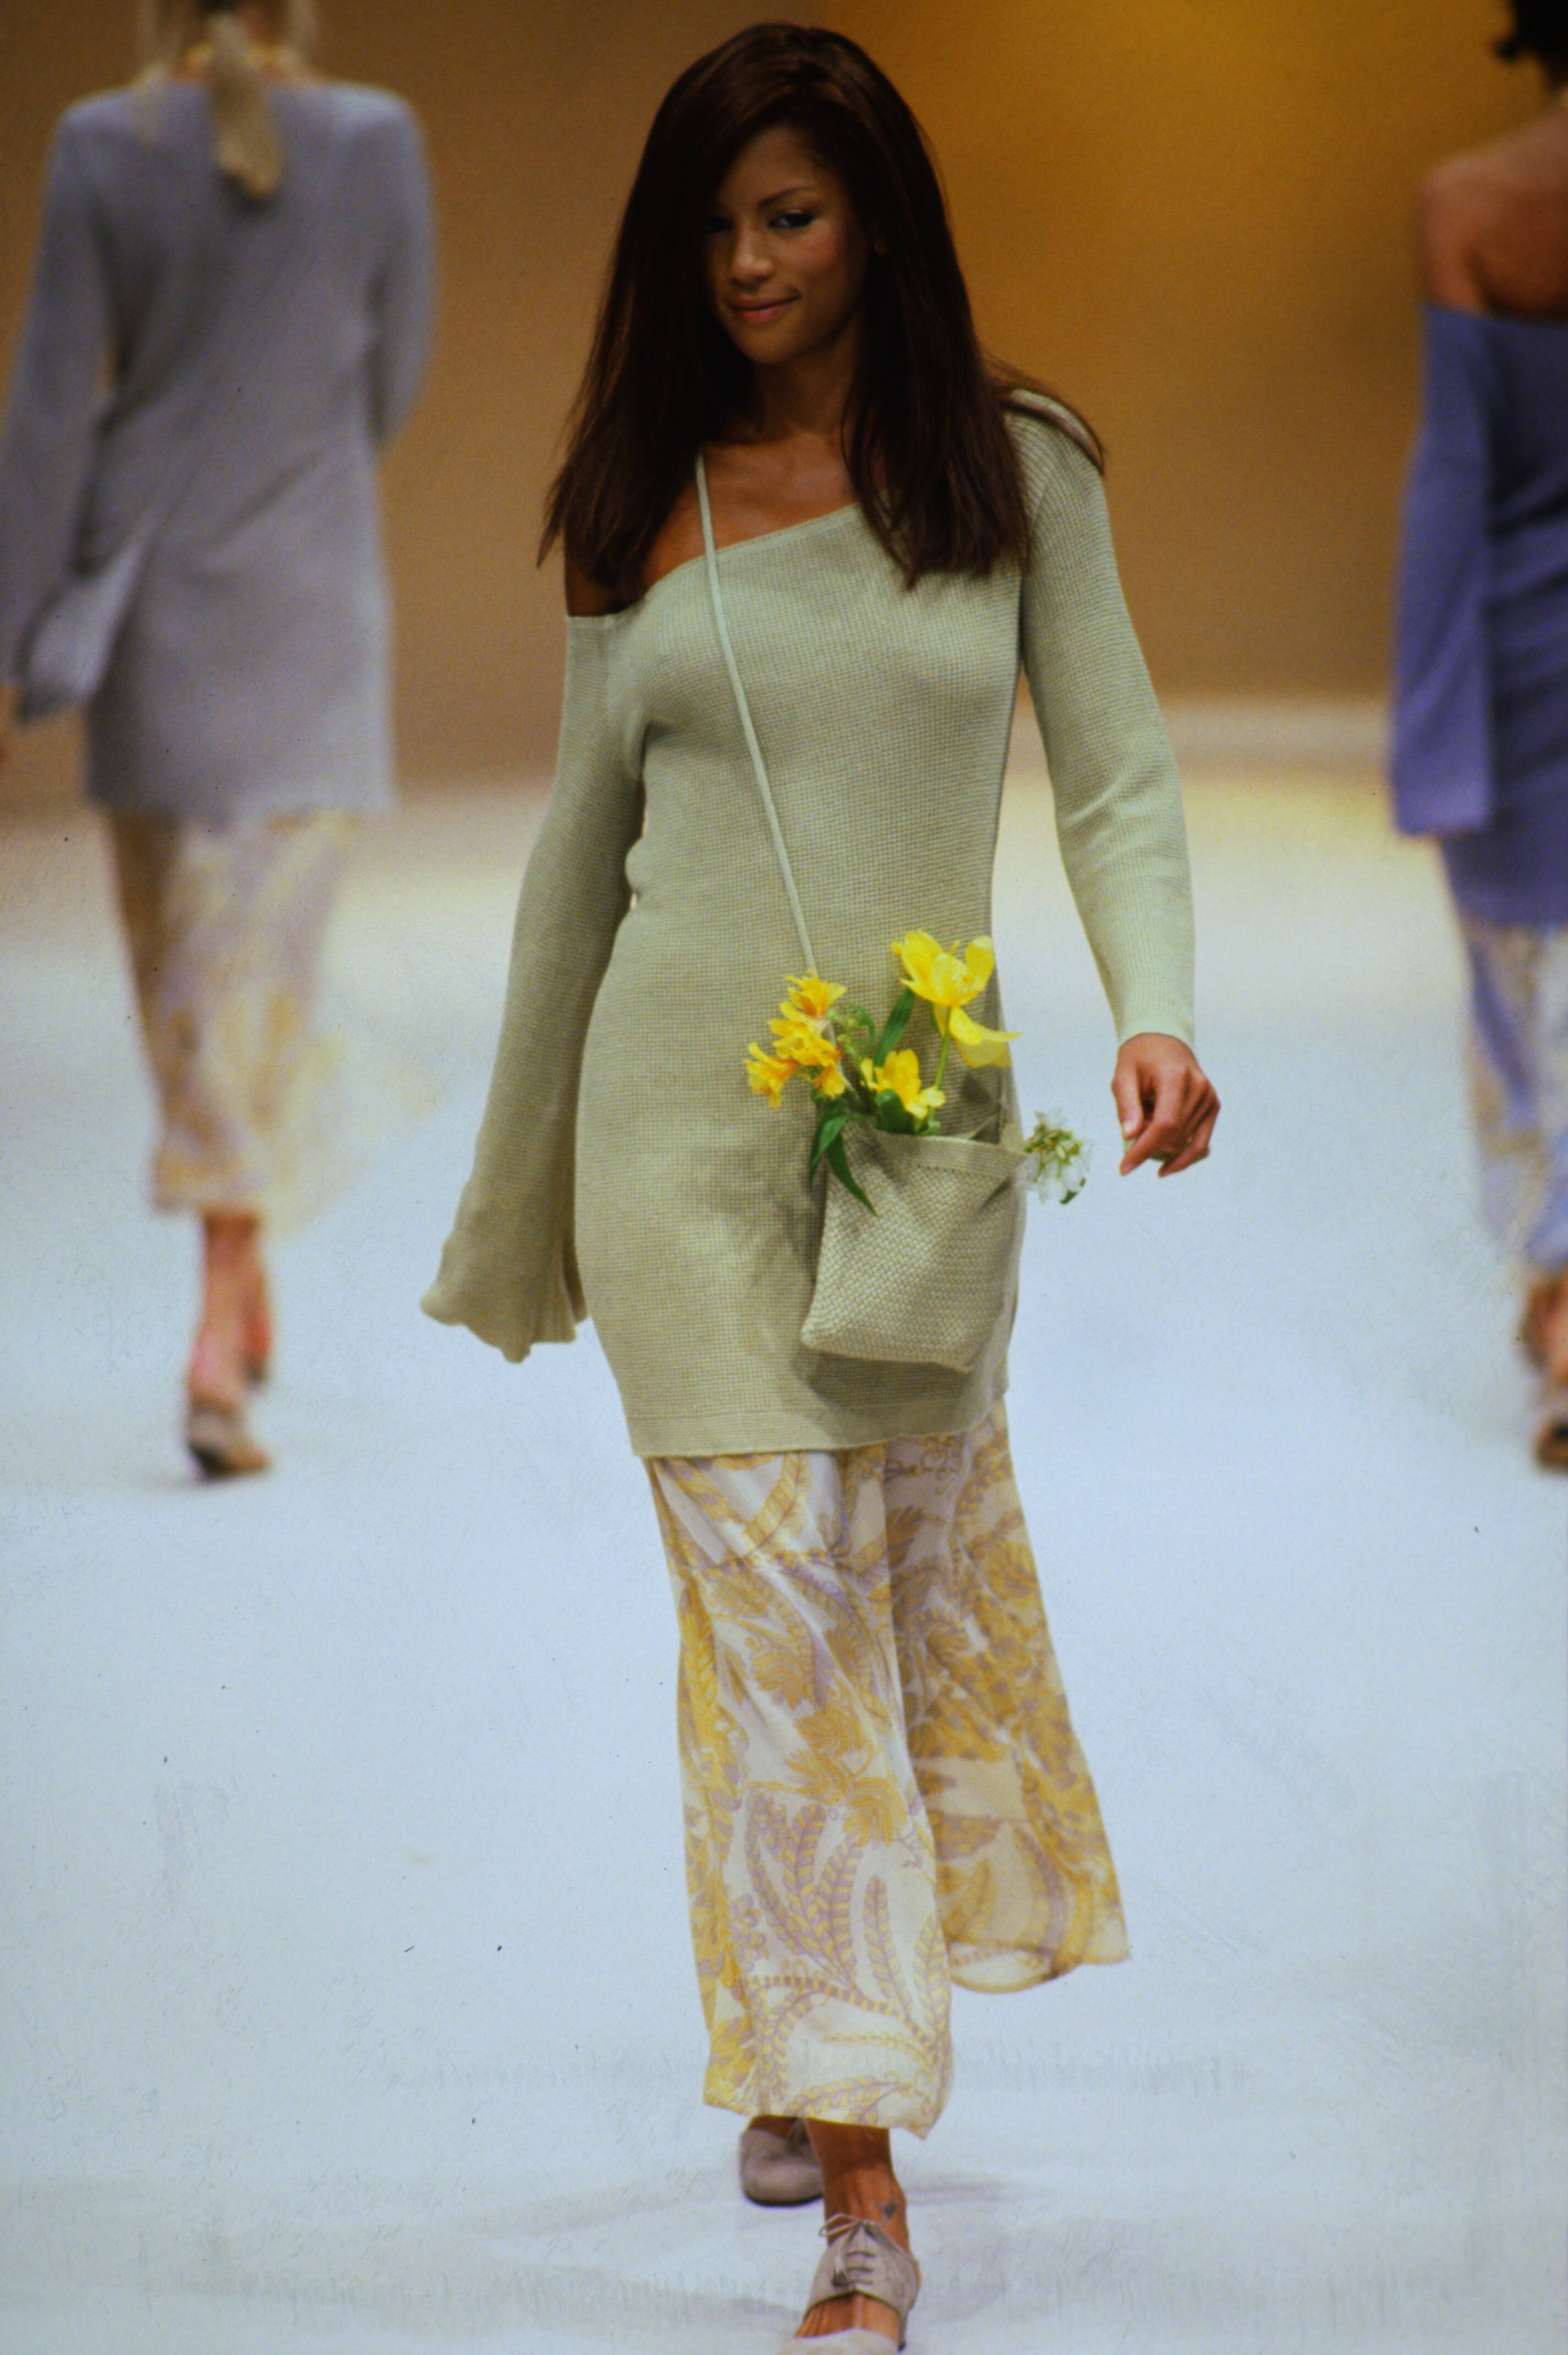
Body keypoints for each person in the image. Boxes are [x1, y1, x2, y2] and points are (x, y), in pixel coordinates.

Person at [423, 25, 1218, 2349]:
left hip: (914, 1145)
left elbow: (1116, 775)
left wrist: (1155, 1008)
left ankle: (801, 2050)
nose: (747, 263)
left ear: (876, 217)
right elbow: (574, 872)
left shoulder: (1013, 469)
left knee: (891, 1601)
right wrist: (515, 1201)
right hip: (677, 1153)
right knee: (782, 1646)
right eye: (710, 226)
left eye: (786, 214)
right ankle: (864, 2200)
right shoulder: (639, 499)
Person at [0, 0, 432, 1477]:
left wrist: (9, 636)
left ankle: (216, 1308)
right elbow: (393, 378)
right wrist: (288, 458)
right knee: (262, 977)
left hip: (158, 607)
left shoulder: (100, 144)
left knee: (191, 979)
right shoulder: (375, 141)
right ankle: (231, 1286)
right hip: (308, 600)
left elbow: (51, 406)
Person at [1394, 0, 1568, 1469]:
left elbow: (1457, 471)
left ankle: (1558, 1296)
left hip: (1517, 656)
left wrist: (1428, 717)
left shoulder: (1470, 205)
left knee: (1515, 994)